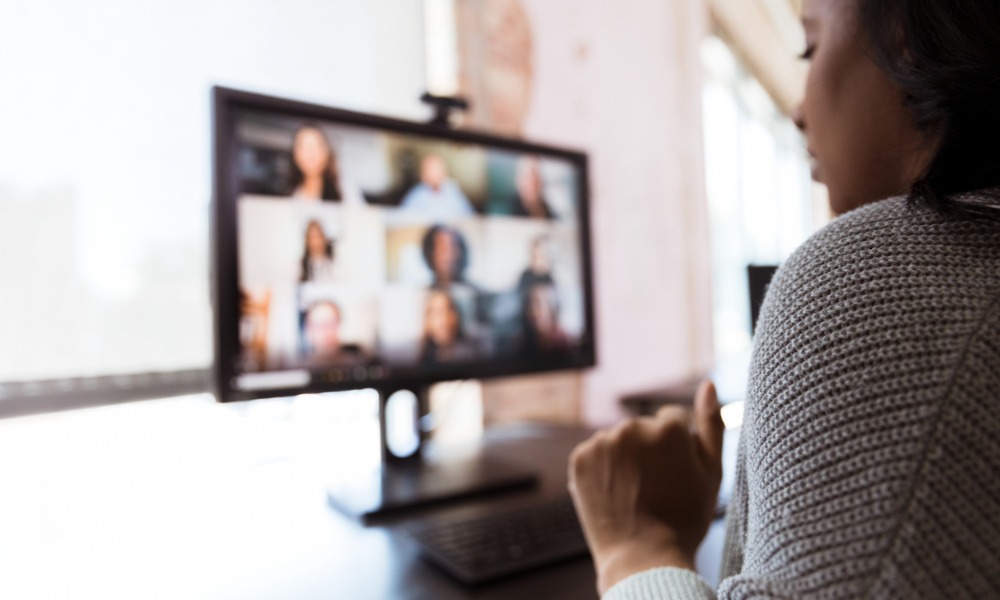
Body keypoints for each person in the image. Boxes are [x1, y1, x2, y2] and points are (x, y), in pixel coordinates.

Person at [569, 1, 1000, 598]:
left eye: (810, 47)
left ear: (905, 35)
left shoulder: (869, 279)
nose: (798, 110)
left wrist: (636, 546)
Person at [398, 154, 475, 219]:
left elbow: (470, 216)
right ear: (423, 175)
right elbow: (402, 218)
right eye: (430, 170)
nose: (435, 175)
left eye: (438, 170)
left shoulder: (453, 191)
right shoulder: (416, 195)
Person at [419, 290, 478, 365]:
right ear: (427, 320)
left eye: (449, 310)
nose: (444, 319)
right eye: (438, 313)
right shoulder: (418, 356)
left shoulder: (473, 352)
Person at [302, 300, 365, 366]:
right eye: (320, 325)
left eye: (331, 324)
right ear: (309, 328)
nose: (326, 331)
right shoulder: (301, 366)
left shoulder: (358, 356)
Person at [289, 125, 342, 201]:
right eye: (304, 146)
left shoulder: (343, 193)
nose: (311, 153)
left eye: (316, 146)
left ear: (326, 152)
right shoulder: (287, 195)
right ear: (295, 154)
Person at [521, 282, 570, 355]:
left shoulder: (563, 341)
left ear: (551, 308)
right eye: (529, 304)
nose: (533, 311)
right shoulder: (522, 342)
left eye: (538, 304)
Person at [422, 224, 471, 290]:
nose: (449, 255)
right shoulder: (424, 294)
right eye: (442, 248)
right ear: (430, 253)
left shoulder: (477, 292)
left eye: (453, 248)